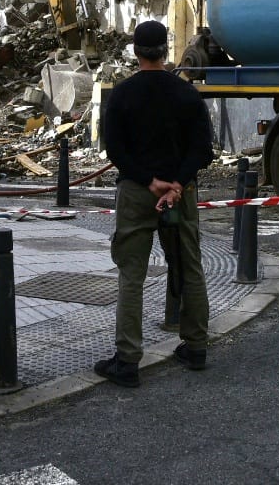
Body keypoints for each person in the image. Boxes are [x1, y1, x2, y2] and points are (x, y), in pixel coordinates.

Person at [94, 19, 215, 388]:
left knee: (132, 274)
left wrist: (150, 181)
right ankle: (195, 346)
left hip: (137, 191)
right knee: (189, 265)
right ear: (166, 50)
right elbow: (203, 150)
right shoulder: (187, 94)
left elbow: (114, 149)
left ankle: (128, 360)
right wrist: (176, 183)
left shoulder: (122, 94)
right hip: (181, 194)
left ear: (135, 51)